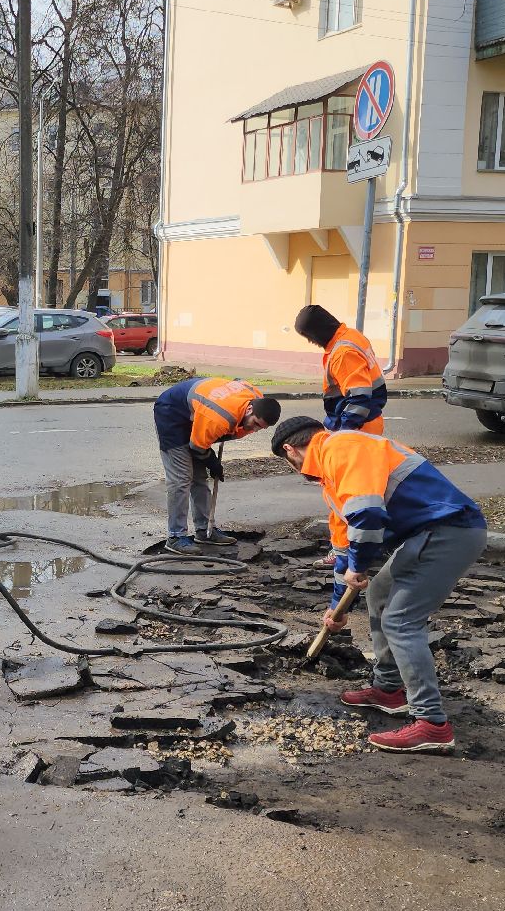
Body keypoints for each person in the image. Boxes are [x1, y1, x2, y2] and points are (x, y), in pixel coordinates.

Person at [270, 415, 487, 753]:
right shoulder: (333, 477)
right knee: (379, 593)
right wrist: (337, 607)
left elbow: (368, 514)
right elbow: (344, 551)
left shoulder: (342, 446)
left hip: (448, 531)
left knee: (401, 620)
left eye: (290, 463)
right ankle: (388, 690)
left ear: (290, 450)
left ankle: (432, 724)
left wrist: (359, 564)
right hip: (430, 534)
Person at [152, 377, 281, 555]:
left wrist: (216, 447)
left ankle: (204, 531)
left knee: (199, 478)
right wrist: (212, 461)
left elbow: (238, 382)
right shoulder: (221, 417)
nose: (255, 429)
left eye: (261, 428)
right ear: (249, 408)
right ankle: (175, 537)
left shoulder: (255, 398)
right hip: (172, 413)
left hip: (200, 411)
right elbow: (198, 447)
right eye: (256, 424)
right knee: (181, 479)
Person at [294, 304, 387, 434]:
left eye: (309, 336)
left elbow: (359, 398)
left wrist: (345, 433)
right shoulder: (352, 335)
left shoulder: (343, 353)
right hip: (367, 422)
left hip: (359, 428)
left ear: (317, 331)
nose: (310, 341)